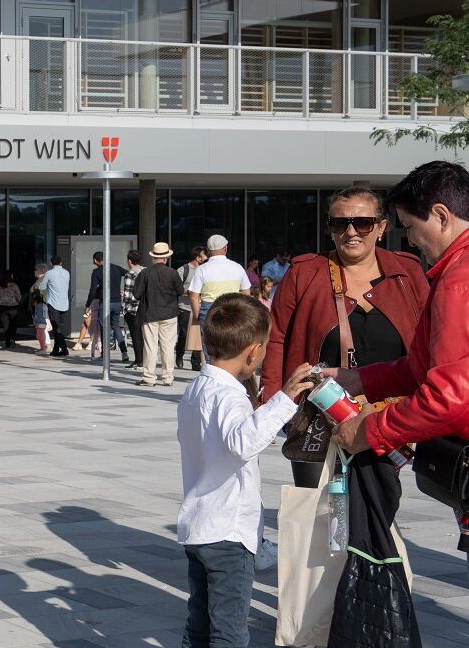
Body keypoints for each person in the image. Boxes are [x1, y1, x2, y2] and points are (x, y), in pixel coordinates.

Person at [173, 294, 317, 648]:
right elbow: (242, 442)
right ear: (254, 351)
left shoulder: (197, 387)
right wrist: (284, 399)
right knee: (228, 640)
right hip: (226, 534)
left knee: (202, 627)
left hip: (199, 526)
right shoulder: (229, 394)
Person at [264, 185, 426, 487]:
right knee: (317, 511)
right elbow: (276, 339)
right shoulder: (304, 272)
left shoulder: (407, 273)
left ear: (381, 227)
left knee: (378, 507)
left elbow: (430, 340)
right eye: (339, 223)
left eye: (362, 223)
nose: (351, 232)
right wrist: (276, 404)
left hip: (386, 417)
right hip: (316, 415)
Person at [332, 162, 469, 506]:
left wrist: (368, 431)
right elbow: (426, 367)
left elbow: (448, 398)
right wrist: (361, 380)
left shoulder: (458, 281)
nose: (409, 239)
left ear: (440, 216)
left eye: (410, 226)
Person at [188, 235, 251, 362]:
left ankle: (213, 371)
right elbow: (246, 293)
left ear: (208, 250)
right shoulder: (237, 267)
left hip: (209, 308)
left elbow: (194, 296)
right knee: (232, 342)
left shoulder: (202, 269)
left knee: (210, 347)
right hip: (232, 307)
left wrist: (197, 315)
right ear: (225, 248)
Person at [134, 243, 183, 387]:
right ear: (167, 257)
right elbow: (180, 291)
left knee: (150, 347)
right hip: (169, 314)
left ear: (153, 257)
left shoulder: (145, 273)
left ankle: (149, 377)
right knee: (167, 346)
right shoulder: (172, 273)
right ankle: (168, 377)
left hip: (149, 314)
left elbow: (136, 294)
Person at [84, 251, 129, 364]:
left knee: (104, 328)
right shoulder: (116, 268)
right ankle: (124, 352)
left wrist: (87, 305)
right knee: (116, 326)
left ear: (95, 260)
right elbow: (129, 274)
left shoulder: (97, 272)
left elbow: (92, 291)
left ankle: (105, 354)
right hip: (117, 302)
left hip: (105, 302)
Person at [179, 246, 208, 371]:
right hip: (185, 306)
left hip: (200, 305)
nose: (207, 257)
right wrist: (189, 292)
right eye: (204, 255)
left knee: (198, 335)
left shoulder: (206, 269)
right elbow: (176, 288)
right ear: (198, 258)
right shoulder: (183, 270)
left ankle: (195, 362)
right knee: (184, 334)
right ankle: (179, 354)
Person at [42, 255, 72, 356]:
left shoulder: (49, 273)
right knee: (59, 327)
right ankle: (56, 349)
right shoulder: (67, 273)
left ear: (51, 263)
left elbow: (42, 286)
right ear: (61, 263)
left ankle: (64, 349)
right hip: (64, 303)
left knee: (56, 327)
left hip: (53, 303)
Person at [124, 250, 146, 371]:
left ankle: (139, 360)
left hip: (133, 309)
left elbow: (128, 294)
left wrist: (126, 307)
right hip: (145, 307)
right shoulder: (145, 271)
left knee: (135, 335)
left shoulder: (130, 274)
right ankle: (144, 359)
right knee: (144, 335)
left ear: (129, 261)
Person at [0, 272, 22, 349]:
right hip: (13, 307)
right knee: (13, 325)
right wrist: (17, 301)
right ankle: (12, 340)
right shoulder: (14, 286)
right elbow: (19, 296)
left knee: (5, 325)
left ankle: (7, 342)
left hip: (2, 307)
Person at [29, 263, 50, 353]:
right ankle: (46, 345)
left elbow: (36, 292)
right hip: (42, 306)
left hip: (40, 306)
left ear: (40, 271)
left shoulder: (41, 282)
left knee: (40, 327)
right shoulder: (46, 280)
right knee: (42, 328)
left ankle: (43, 347)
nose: (36, 272)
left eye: (37, 270)